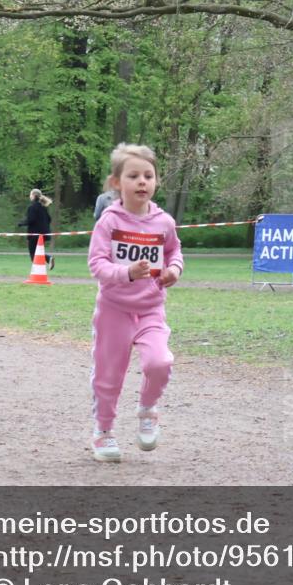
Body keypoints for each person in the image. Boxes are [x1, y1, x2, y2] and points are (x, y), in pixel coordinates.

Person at [87, 143, 184, 462]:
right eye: (133, 176)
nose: (142, 181)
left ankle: (147, 410)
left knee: (160, 362)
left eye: (148, 175)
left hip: (150, 309)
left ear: (155, 181)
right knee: (108, 375)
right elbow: (96, 264)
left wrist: (173, 270)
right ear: (116, 183)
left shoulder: (164, 222)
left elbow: (174, 252)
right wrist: (126, 272)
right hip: (114, 310)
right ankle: (103, 432)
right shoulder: (109, 222)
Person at [19, 189, 54, 270]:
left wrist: (21, 223)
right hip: (44, 234)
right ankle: (47, 261)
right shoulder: (44, 207)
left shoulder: (32, 207)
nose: (29, 196)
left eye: (30, 195)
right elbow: (49, 219)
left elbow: (31, 219)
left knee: (33, 254)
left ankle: (46, 261)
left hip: (34, 234)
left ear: (34, 196)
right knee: (38, 252)